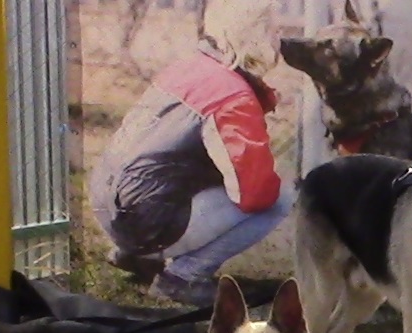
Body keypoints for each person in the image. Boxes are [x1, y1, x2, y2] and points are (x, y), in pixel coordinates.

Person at [88, 0, 293, 307]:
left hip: (107, 205)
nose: (279, 38)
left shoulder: (187, 67)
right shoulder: (233, 96)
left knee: (178, 171)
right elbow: (256, 194)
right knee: (280, 199)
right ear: (254, 37)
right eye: (272, 29)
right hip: (145, 223)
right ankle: (183, 277)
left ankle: (133, 255)